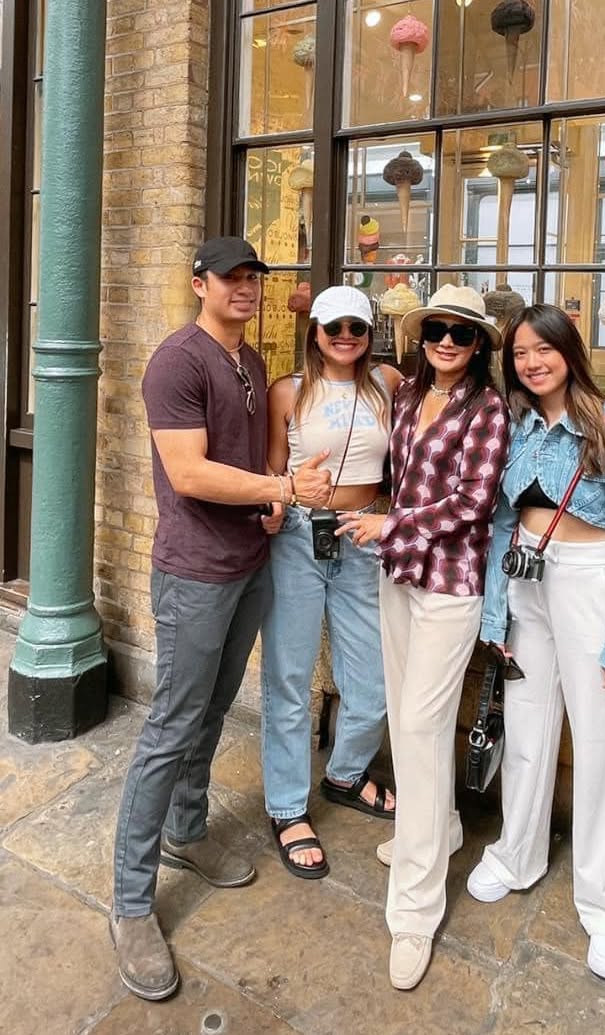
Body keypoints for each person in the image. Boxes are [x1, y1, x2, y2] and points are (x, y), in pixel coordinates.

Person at [110, 237, 332, 1002]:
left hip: (248, 565)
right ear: (198, 283)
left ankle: (186, 830)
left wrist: (269, 500)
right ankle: (131, 903)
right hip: (194, 573)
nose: (245, 287)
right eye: (230, 277)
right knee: (171, 725)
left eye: (253, 277)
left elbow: (246, 463)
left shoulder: (252, 363)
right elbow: (189, 472)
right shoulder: (177, 361)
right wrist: (283, 489)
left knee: (209, 712)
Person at [468, 304, 605, 982]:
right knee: (526, 727)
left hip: (590, 584)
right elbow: (501, 523)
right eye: (520, 353)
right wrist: (495, 613)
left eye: (543, 349)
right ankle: (516, 853)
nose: (531, 362)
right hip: (527, 580)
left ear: (569, 351)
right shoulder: (517, 426)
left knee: (603, 744)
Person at [338, 284, 509, 991]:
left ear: (479, 345)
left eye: (461, 334)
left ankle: (414, 909)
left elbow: (473, 502)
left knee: (418, 725)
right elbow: (390, 470)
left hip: (448, 585)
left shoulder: (489, 409)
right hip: (398, 574)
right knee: (416, 724)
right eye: (436, 329)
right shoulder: (407, 394)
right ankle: (437, 829)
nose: (445, 342)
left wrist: (391, 523)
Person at [261, 285, 401, 879]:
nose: (345, 337)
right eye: (333, 327)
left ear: (370, 334)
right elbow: (273, 471)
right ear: (314, 331)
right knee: (289, 678)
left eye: (356, 328)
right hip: (299, 536)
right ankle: (287, 807)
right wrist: (277, 502)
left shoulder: (389, 384)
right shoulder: (287, 391)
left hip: (362, 537)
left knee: (372, 681)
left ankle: (345, 774)